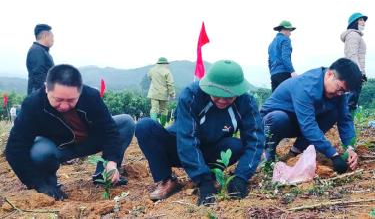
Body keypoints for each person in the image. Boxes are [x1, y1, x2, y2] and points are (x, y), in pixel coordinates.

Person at [136, 60, 265, 205]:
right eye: (216, 94)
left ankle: (211, 173)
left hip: (210, 151)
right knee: (144, 126)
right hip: (179, 148)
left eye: (229, 96)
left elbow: (255, 140)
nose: (222, 100)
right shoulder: (191, 95)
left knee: (236, 145)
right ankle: (167, 180)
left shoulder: (246, 102)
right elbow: (187, 139)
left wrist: (241, 177)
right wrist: (203, 183)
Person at [6, 64, 135, 200]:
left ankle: (103, 174)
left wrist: (112, 161)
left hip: (89, 141)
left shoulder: (91, 97)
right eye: (58, 100)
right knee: (38, 152)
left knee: (126, 122)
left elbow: (110, 130)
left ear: (79, 92)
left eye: (71, 100)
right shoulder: (33, 105)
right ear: (46, 89)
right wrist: (37, 183)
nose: (64, 106)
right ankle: (49, 182)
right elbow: (15, 148)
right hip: (58, 147)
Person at [260, 58, 363, 174]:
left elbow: (345, 118)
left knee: (334, 113)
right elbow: (308, 126)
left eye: (344, 92)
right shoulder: (306, 86)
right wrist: (333, 155)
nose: (340, 93)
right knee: (277, 118)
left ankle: (295, 151)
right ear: (329, 74)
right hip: (276, 120)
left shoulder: (339, 93)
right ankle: (266, 156)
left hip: (299, 120)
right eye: (339, 88)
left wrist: (350, 147)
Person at [341, 12, 368, 111]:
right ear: (354, 23)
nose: (363, 22)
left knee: (353, 100)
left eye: (363, 20)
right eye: (361, 20)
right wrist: (358, 72)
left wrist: (363, 72)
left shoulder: (356, 35)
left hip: (354, 70)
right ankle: (346, 124)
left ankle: (348, 123)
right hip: (353, 71)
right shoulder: (353, 35)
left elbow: (359, 56)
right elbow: (352, 55)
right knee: (350, 101)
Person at [268, 20, 298, 91]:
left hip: (273, 75)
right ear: (285, 30)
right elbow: (285, 57)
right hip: (284, 73)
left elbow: (269, 61)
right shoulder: (285, 39)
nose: (290, 33)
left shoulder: (271, 44)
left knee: (276, 100)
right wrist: (292, 71)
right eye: (290, 31)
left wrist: (272, 74)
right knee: (289, 97)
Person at [26, 24, 55, 95]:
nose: (53, 40)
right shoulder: (36, 51)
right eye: (52, 37)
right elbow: (38, 75)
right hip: (39, 95)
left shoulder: (42, 50)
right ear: (45, 36)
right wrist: (46, 95)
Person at [147, 57, 176, 126]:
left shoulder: (152, 70)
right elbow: (170, 84)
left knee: (154, 109)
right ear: (165, 63)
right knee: (164, 110)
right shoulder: (167, 71)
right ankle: (162, 126)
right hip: (163, 94)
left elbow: (149, 77)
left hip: (153, 93)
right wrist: (172, 94)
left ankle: (153, 125)